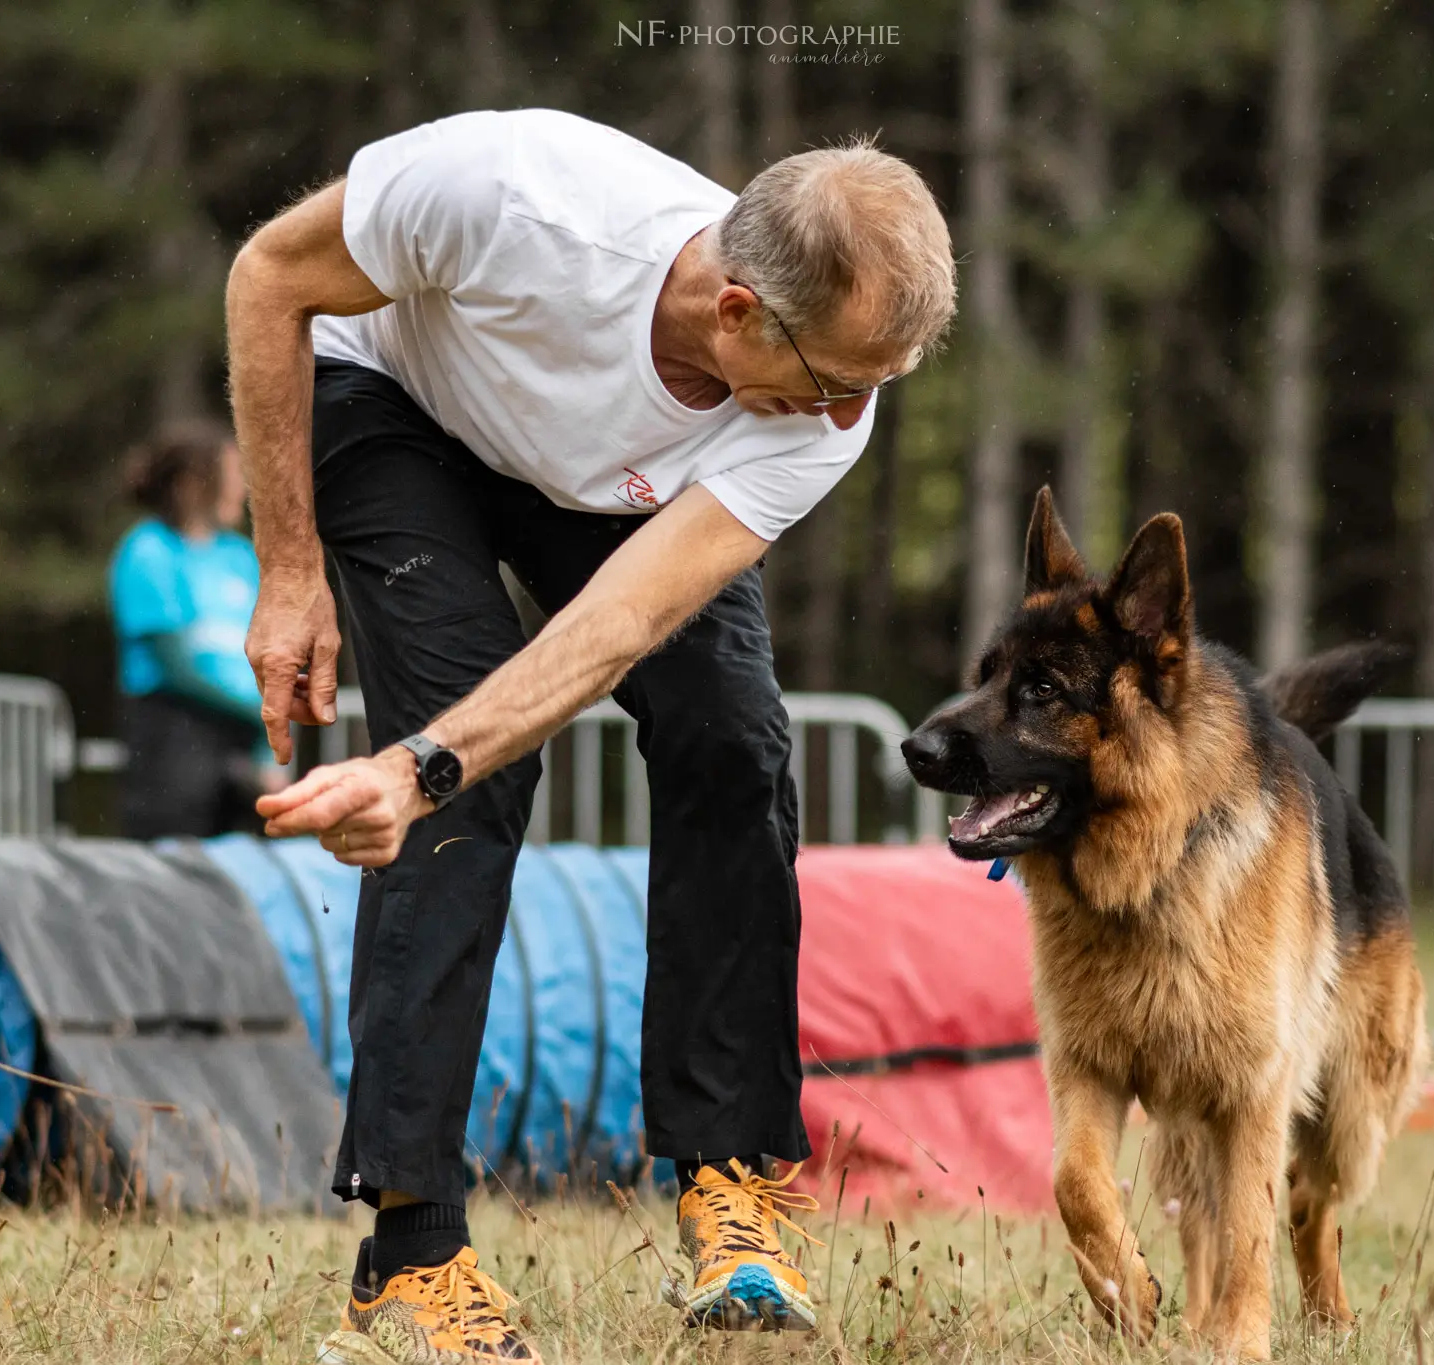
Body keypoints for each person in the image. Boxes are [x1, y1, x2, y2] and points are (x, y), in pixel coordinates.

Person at [225, 108, 954, 1363]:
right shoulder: (514, 197)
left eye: (872, 387)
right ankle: (410, 1251)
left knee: (730, 734)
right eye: (835, 380)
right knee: (469, 791)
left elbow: (621, 623)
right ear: (736, 312)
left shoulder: (824, 407)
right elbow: (269, 276)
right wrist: (287, 571)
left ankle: (729, 1185)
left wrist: (421, 763)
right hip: (394, 405)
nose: (848, 416)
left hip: (607, 483)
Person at [108, 421, 279, 839]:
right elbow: (178, 665)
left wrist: (270, 748)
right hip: (175, 730)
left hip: (241, 733)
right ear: (189, 484)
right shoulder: (148, 550)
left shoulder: (240, 557)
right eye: (232, 475)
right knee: (176, 864)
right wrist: (261, 713)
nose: (241, 488)